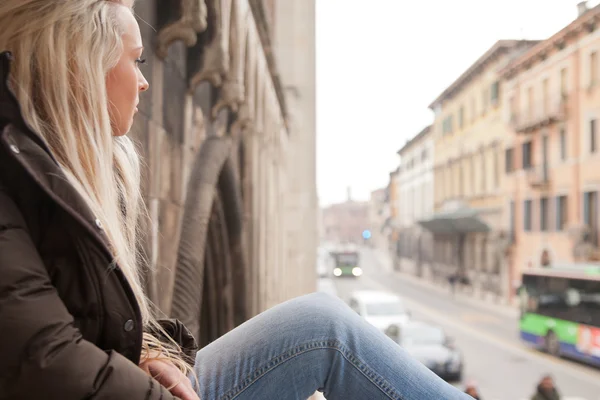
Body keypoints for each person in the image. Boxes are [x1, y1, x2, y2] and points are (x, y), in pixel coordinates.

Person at [0, 1, 473, 399]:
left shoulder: (53, 164)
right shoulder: (18, 164)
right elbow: (44, 357)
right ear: (79, 65)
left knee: (321, 323)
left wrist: (151, 351)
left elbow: (82, 319)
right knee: (325, 332)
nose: (143, 82)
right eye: (136, 61)